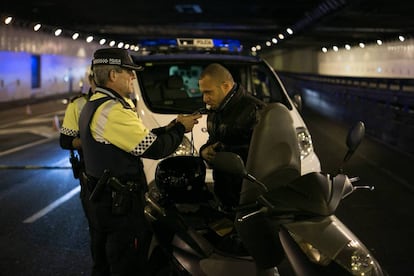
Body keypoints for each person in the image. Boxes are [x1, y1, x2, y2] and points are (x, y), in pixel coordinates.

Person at [79, 47, 201, 276]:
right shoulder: (114, 110)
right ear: (113, 75)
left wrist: (170, 127)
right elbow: (154, 148)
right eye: (129, 72)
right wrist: (180, 130)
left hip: (101, 199)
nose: (133, 77)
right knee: (127, 263)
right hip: (120, 208)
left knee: (103, 261)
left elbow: (132, 139)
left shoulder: (94, 103)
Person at [198, 63, 266, 210]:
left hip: (248, 199)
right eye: (203, 93)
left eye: (209, 92)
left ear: (226, 86)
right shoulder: (216, 110)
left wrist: (225, 153)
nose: (205, 99)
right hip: (225, 195)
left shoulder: (255, 111)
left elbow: (263, 156)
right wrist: (204, 151)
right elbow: (215, 140)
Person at [60, 66, 96, 213]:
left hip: (120, 171)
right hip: (89, 172)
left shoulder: (123, 102)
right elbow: (65, 141)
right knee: (96, 221)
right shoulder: (78, 104)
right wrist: (90, 143)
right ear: (90, 80)